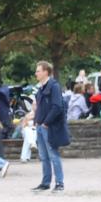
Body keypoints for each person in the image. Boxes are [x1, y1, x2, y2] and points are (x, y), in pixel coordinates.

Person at [32, 60, 69, 192]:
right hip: (40, 126)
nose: (36, 73)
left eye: (38, 70)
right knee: (43, 156)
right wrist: (37, 121)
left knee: (53, 154)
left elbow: (57, 107)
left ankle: (59, 183)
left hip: (49, 126)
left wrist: (46, 122)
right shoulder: (41, 87)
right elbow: (40, 107)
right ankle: (46, 182)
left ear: (45, 72)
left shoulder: (54, 86)